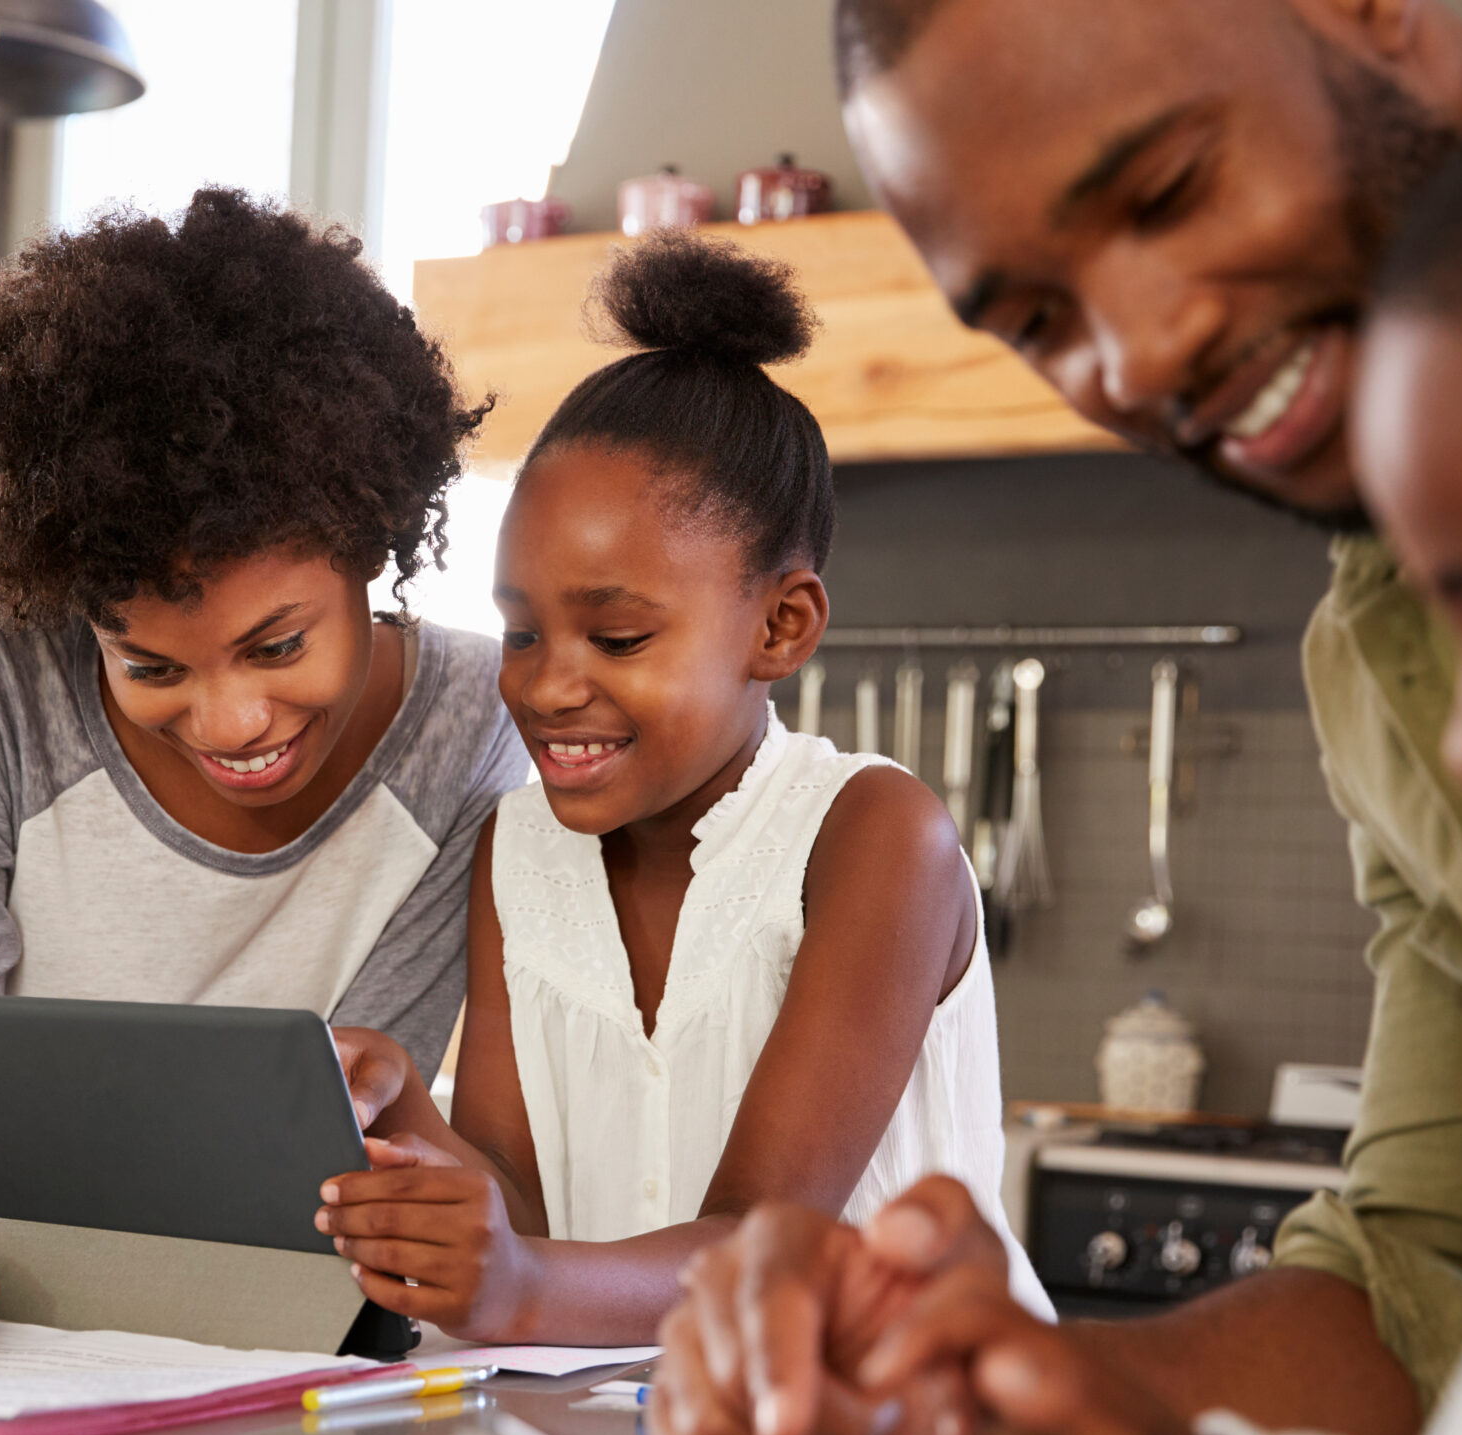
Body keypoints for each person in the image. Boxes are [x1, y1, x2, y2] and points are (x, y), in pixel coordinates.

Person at [654, 34, 1462, 1435]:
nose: (1130, 363)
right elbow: (1440, 1262)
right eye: (1039, 321)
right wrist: (1016, 1408)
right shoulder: (1371, 652)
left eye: (1166, 187)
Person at [0, 189, 529, 1374]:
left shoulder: (473, 727)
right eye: (151, 664)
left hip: (226, 1242)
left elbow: (335, 1133)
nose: (233, 720)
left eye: (279, 645)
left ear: (373, 546)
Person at [309, 234, 1050, 1345]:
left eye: (617, 635)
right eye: (521, 632)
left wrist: (520, 1286)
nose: (549, 684)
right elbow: (523, 1211)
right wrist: (402, 1104)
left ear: (779, 625)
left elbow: (766, 1238)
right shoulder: (516, 848)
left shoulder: (875, 836)